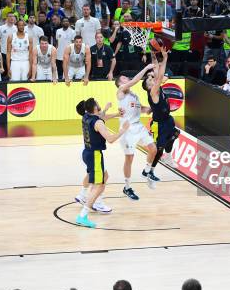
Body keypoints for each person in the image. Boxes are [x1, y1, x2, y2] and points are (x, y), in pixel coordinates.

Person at [75, 98, 129, 228]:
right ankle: (83, 214)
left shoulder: (86, 116)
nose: (99, 106)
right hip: (95, 155)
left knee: (104, 176)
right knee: (99, 185)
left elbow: (101, 116)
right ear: (94, 108)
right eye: (98, 105)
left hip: (87, 152)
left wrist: (114, 113)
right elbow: (110, 139)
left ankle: (90, 199)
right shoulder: (98, 122)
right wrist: (123, 130)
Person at [112, 63, 157, 200]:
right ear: (120, 82)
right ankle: (127, 187)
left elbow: (141, 108)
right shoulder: (120, 91)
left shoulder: (134, 95)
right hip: (128, 129)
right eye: (125, 78)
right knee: (129, 158)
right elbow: (135, 81)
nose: (127, 79)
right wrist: (146, 68)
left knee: (153, 149)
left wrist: (151, 108)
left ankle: (147, 171)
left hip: (139, 126)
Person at [142, 47, 180, 185]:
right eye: (150, 80)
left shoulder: (156, 87)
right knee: (158, 149)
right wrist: (165, 58)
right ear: (148, 87)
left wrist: (155, 56)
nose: (152, 79)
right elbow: (160, 73)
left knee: (175, 134)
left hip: (167, 119)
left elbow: (158, 71)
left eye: (152, 78)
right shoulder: (152, 92)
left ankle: (168, 158)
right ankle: (149, 170)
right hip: (159, 124)